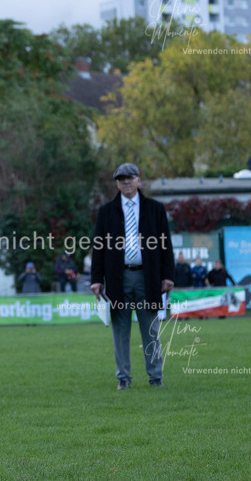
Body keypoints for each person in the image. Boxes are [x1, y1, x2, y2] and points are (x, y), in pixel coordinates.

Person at [90, 163, 174, 390]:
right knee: (120, 331)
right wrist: (96, 279)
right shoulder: (106, 212)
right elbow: (98, 248)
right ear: (117, 184)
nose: (126, 181)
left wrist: (168, 275)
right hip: (118, 278)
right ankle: (123, 378)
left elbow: (166, 245)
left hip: (148, 278)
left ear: (139, 180)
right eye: (121, 179)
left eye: (130, 177)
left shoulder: (155, 209)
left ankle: (155, 377)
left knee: (151, 331)